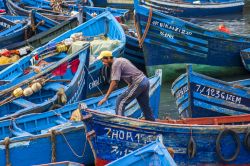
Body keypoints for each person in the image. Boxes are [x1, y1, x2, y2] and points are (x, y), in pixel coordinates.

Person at [97, 51, 155, 121]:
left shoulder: (115, 64)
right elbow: (129, 72)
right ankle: (151, 121)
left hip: (138, 82)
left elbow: (114, 82)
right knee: (145, 105)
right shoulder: (121, 59)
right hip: (145, 80)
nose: (103, 63)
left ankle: (120, 122)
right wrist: (129, 84)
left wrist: (106, 97)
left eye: (104, 61)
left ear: (109, 58)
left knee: (120, 100)